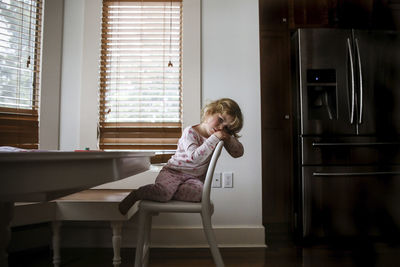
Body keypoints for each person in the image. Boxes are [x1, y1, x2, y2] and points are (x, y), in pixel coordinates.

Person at [119, 98, 244, 215]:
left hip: (193, 178)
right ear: (209, 113)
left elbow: (238, 153)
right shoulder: (191, 132)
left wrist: (228, 138)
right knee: (164, 194)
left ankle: (166, 191)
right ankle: (138, 194)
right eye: (221, 120)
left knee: (199, 193)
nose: (221, 128)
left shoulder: (220, 136)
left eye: (227, 128)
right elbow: (194, 158)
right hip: (173, 172)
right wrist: (214, 138)